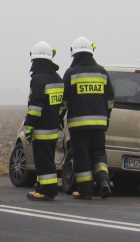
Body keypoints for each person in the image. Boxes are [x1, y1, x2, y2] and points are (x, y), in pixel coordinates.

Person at [62, 36, 115, 199]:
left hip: (79, 125)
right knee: (99, 153)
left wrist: (58, 118)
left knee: (82, 156)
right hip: (99, 123)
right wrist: (106, 118)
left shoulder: (71, 73)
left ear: (75, 54)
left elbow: (63, 101)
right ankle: (104, 181)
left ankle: (86, 190)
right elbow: (110, 99)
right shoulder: (102, 72)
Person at [23, 41, 64, 200]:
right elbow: (61, 106)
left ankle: (46, 191)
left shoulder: (38, 79)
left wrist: (30, 125)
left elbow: (36, 106)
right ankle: (42, 187)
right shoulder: (57, 78)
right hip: (53, 127)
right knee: (48, 160)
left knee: (43, 160)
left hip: (41, 128)